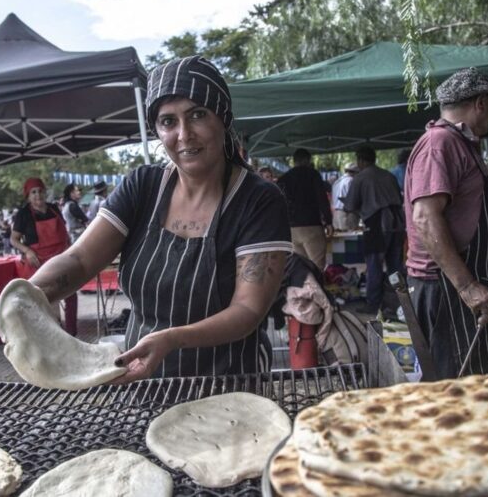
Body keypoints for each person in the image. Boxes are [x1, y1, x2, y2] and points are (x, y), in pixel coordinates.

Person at [29, 55, 292, 382]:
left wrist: (172, 339)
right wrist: (28, 297)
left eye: (197, 115)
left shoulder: (258, 200)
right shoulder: (143, 187)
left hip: (230, 384)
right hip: (142, 380)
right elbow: (81, 260)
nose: (184, 135)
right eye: (168, 122)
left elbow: (248, 310)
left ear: (223, 118)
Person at [405, 67, 488, 380]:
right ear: (481, 103)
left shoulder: (460, 144)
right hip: (448, 290)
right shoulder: (439, 144)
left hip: (465, 284)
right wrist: (467, 286)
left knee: (483, 389)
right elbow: (426, 218)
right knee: (460, 395)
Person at [11, 177, 78, 336]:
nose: (37, 195)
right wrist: (27, 251)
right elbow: (13, 239)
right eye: (33, 192)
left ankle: (72, 334)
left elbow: (64, 234)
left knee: (71, 294)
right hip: (38, 261)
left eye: (40, 191)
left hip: (61, 258)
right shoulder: (24, 214)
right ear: (28, 195)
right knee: (46, 298)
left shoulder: (54, 208)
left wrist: (70, 251)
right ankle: (53, 335)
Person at [343, 146, 405, 315]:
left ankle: (373, 304)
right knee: (396, 266)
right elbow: (399, 199)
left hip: (378, 223)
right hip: (398, 223)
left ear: (360, 161)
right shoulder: (389, 175)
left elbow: (349, 205)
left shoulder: (360, 178)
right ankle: (401, 303)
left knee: (374, 265)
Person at [276, 148, 332, 271]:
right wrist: (329, 222)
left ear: (294, 161)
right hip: (311, 227)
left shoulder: (283, 179)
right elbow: (322, 199)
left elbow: (278, 205)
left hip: (291, 230)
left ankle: (304, 290)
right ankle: (317, 290)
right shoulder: (313, 175)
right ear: (307, 160)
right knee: (317, 267)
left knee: (300, 270)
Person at [331, 163, 359, 231]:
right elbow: (353, 199)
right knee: (349, 238)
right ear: (355, 172)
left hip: (336, 214)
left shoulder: (337, 182)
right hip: (347, 215)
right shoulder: (351, 181)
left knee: (339, 239)